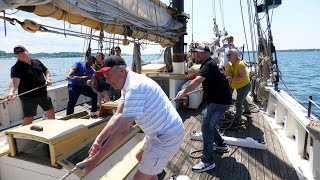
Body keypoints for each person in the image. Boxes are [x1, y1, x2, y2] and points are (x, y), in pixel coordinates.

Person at [77, 56, 184, 180]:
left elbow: (122, 132)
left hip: (167, 136)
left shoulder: (135, 88)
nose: (106, 80)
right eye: (105, 76)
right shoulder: (127, 84)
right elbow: (117, 115)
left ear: (122, 70)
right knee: (140, 157)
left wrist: (94, 161)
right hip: (156, 133)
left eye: (108, 75)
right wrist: (98, 141)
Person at [176, 46, 232, 173]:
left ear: (207, 53)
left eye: (200, 53)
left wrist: (184, 92)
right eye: (196, 53)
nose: (197, 55)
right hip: (222, 100)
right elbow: (214, 79)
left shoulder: (208, 65)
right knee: (207, 124)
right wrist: (205, 86)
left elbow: (197, 81)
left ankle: (208, 161)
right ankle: (221, 145)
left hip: (219, 102)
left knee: (206, 127)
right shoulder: (213, 63)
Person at [7, 45, 55, 125]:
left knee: (50, 110)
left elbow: (46, 70)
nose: (20, 54)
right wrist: (11, 92)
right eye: (17, 53)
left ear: (27, 52)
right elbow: (14, 82)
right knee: (29, 117)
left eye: (21, 51)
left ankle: (52, 127)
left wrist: (48, 78)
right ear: (16, 56)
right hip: (28, 97)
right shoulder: (16, 68)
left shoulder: (37, 61)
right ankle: (22, 135)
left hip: (43, 93)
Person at [224, 48, 251, 125]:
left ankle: (237, 120)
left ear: (235, 56)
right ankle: (247, 111)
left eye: (230, 55)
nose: (228, 56)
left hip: (245, 86)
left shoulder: (240, 64)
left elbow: (241, 77)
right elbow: (227, 74)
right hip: (237, 86)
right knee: (243, 99)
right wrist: (224, 75)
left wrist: (231, 79)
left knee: (238, 103)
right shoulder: (228, 65)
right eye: (227, 55)